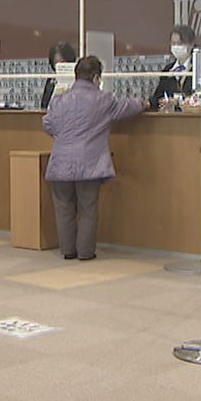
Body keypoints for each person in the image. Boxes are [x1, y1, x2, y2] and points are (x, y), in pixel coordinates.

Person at [42, 55, 144, 260]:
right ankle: (86, 252)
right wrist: (144, 102)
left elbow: (47, 124)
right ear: (96, 77)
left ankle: (68, 251)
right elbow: (128, 107)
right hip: (89, 164)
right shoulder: (103, 100)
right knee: (88, 209)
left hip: (60, 161)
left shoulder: (59, 100)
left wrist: (65, 138)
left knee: (64, 209)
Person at [148, 23, 199, 109]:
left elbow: (200, 98)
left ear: (191, 44)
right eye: (173, 43)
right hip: (171, 115)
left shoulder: (198, 68)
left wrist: (178, 101)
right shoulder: (168, 70)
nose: (176, 47)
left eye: (179, 43)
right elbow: (158, 96)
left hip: (192, 115)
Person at [39, 41, 78, 110]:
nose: (59, 66)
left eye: (62, 62)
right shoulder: (51, 80)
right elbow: (44, 105)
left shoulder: (78, 80)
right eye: (56, 63)